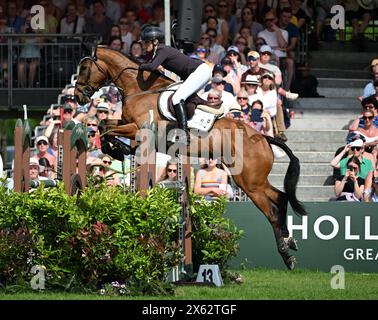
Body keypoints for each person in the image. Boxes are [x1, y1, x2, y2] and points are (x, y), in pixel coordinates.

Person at [138, 25, 212, 144]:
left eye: (146, 42)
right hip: (197, 72)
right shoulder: (159, 51)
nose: (144, 45)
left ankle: (183, 134)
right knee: (179, 96)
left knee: (177, 98)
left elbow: (151, 66)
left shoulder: (162, 49)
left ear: (155, 41)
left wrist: (139, 66)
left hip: (200, 72)